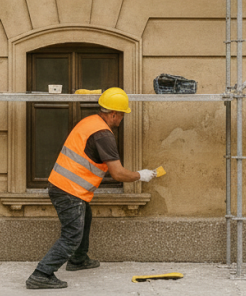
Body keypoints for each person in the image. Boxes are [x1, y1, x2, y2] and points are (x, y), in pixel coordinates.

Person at [26, 88, 157, 290]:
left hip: (65, 186)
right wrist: (141, 175)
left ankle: (79, 259)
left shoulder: (90, 122)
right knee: (71, 235)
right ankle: (41, 274)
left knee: (85, 218)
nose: (122, 119)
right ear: (113, 114)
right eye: (122, 114)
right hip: (70, 191)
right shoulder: (103, 134)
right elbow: (118, 174)